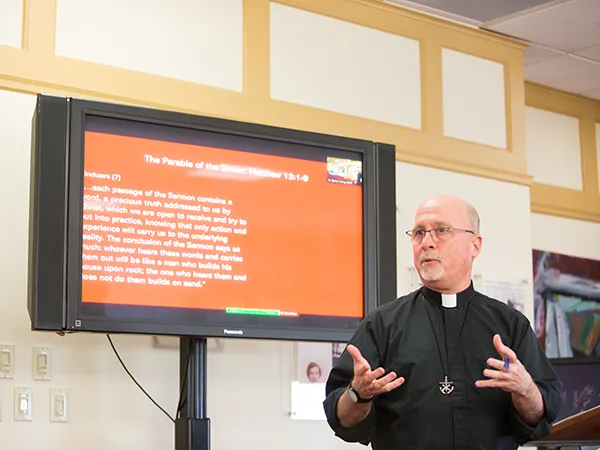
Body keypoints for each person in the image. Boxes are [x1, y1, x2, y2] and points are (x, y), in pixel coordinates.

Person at [323, 195, 562, 450]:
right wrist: (357, 394)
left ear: (475, 245)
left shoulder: (510, 324)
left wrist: (525, 389)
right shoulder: (381, 324)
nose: (426, 243)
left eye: (441, 230)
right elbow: (341, 419)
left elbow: (541, 416)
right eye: (418, 233)